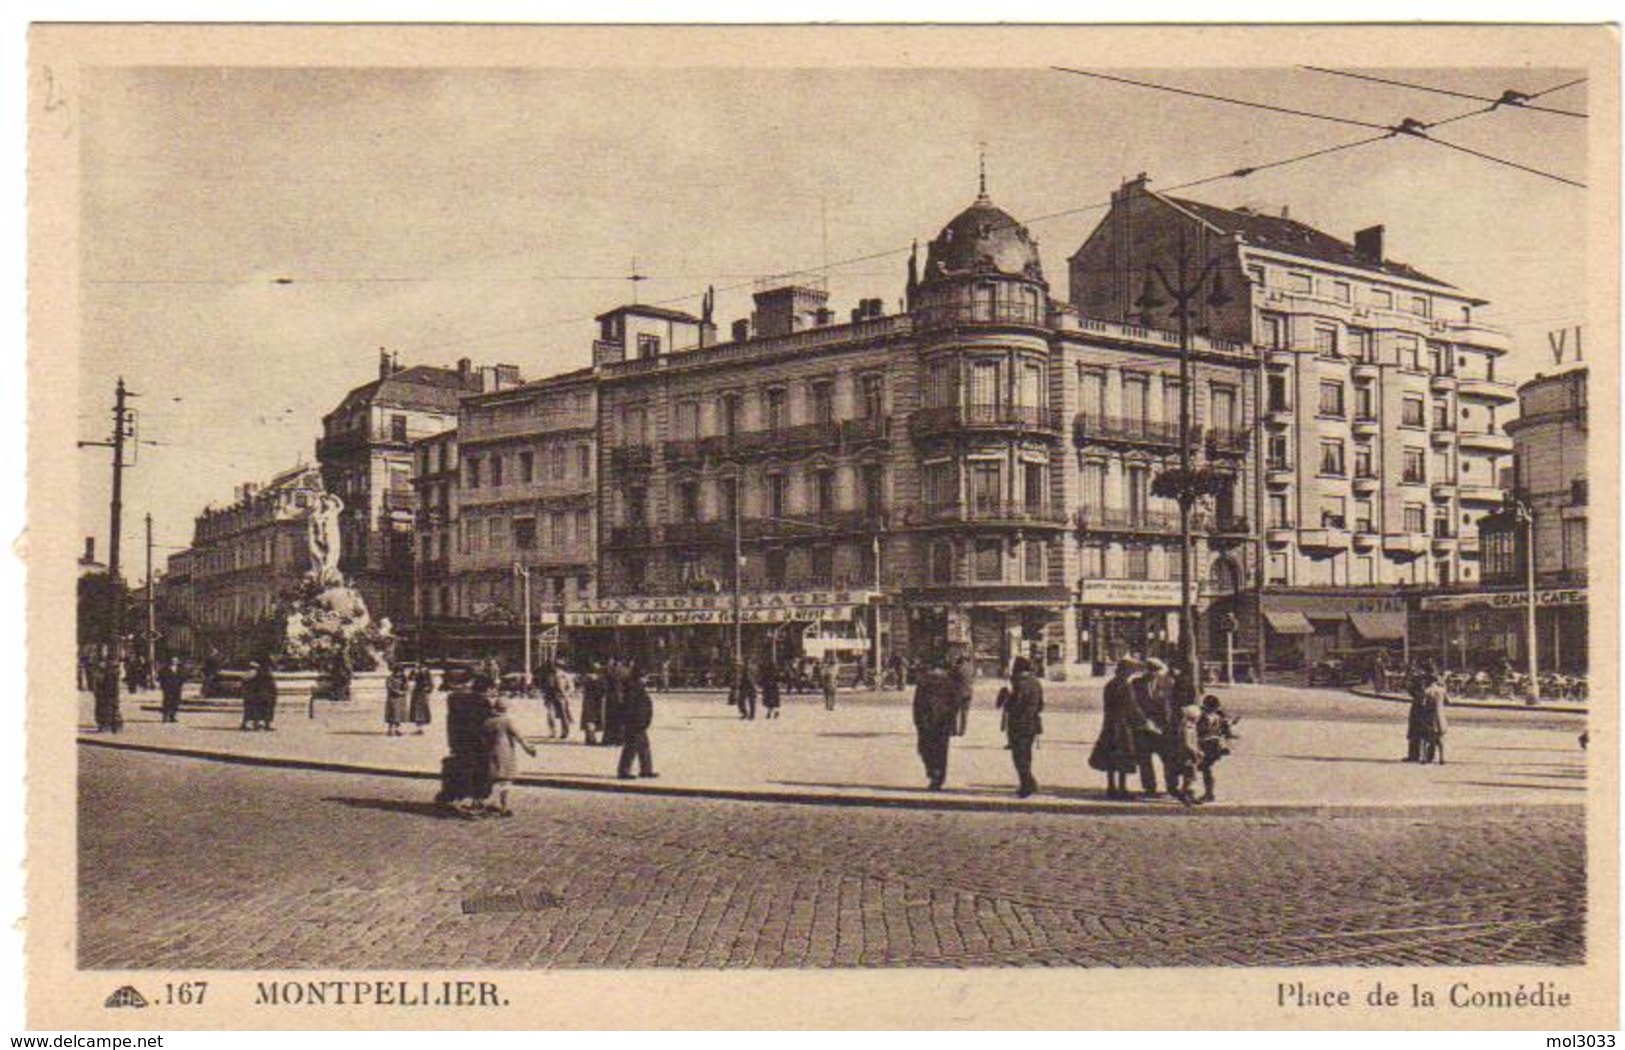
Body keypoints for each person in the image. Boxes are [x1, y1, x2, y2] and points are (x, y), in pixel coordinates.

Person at [1089, 658, 1142, 800]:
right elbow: (1132, 707)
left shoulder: (1110, 685)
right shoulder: (1126, 686)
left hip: (1109, 724)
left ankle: (1111, 787)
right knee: (1124, 756)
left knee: (1110, 757)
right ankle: (1122, 788)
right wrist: (1142, 721)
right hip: (1123, 725)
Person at [480, 697, 537, 817]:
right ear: (506, 708)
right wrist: (529, 749)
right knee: (505, 781)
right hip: (505, 754)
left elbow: (482, 740)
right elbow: (519, 737)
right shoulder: (507, 721)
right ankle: (504, 807)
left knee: (490, 780)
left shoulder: (487, 721)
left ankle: (481, 802)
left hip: (490, 753)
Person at [911, 659, 959, 790]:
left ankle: (935, 775)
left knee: (927, 750)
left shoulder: (946, 684)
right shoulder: (927, 684)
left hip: (935, 723)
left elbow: (954, 705)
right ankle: (936, 775)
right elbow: (955, 705)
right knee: (938, 751)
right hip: (936, 723)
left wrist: (918, 721)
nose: (936, 672)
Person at [1133, 658, 1175, 797]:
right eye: (1151, 671)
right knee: (1144, 759)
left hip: (1163, 727)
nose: (1154, 674)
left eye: (1156, 671)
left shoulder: (1167, 683)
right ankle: (1149, 788)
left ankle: (1172, 787)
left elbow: (1170, 705)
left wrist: (1167, 724)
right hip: (1143, 727)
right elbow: (1134, 704)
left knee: (1168, 758)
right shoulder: (1136, 683)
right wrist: (1143, 720)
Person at [1003, 656, 1044, 798]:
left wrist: (1007, 698)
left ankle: (1026, 785)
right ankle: (1030, 782)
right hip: (1032, 723)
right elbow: (1041, 705)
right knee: (1026, 754)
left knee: (1019, 756)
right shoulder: (1036, 682)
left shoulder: (1019, 684)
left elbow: (1014, 705)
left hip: (1019, 724)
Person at [1195, 694, 1239, 804]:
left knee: (1205, 769)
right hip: (1215, 745)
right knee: (1206, 769)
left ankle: (1208, 793)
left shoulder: (1204, 716)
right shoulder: (1219, 716)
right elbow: (1227, 732)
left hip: (1207, 745)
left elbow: (1200, 731)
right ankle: (1209, 792)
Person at [617, 665, 657, 780]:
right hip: (635, 723)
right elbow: (630, 707)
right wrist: (634, 721)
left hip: (639, 723)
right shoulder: (633, 688)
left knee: (643, 746)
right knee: (631, 747)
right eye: (645, 677)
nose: (646, 679)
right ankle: (624, 771)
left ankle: (646, 770)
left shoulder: (636, 687)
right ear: (640, 677)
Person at [1420, 675, 1450, 764]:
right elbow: (1448, 702)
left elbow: (1423, 703)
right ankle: (1441, 758)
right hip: (1440, 715)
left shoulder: (1427, 691)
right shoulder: (1442, 690)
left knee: (1426, 738)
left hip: (1429, 716)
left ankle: (1424, 758)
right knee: (1440, 738)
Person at [93, 654, 123, 733]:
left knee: (106, 709)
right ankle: (115, 726)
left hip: (105, 694)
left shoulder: (106, 671)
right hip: (112, 693)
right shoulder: (114, 670)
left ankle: (106, 726)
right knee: (113, 709)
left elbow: (100, 682)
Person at [1404, 668, 1429, 762]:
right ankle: (1421, 756)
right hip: (1420, 717)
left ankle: (1416, 756)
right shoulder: (1422, 693)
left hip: (1418, 717)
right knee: (1419, 736)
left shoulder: (1419, 695)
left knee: (1416, 735)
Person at [579, 662, 606, 745]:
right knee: (592, 719)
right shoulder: (600, 679)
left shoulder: (586, 677)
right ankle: (592, 739)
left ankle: (589, 738)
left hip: (587, 700)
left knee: (588, 719)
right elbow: (603, 690)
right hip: (596, 701)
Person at [157, 657, 186, 723]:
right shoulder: (164, 669)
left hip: (177, 688)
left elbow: (183, 677)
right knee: (167, 702)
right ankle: (165, 716)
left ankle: (173, 716)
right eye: (172, 661)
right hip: (168, 688)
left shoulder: (180, 669)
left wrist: (180, 683)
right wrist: (163, 686)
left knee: (176, 702)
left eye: (175, 661)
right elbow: (161, 678)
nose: (174, 662)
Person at [949, 655, 973, 737]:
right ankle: (962, 731)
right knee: (964, 713)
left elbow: (950, 678)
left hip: (957, 693)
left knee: (954, 712)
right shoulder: (970, 668)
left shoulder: (956, 668)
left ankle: (954, 730)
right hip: (968, 693)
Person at [384, 665, 408, 736]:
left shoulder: (404, 678)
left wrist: (404, 692)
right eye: (398, 672)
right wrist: (397, 692)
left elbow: (406, 686)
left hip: (401, 699)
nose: (399, 673)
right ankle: (390, 729)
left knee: (399, 715)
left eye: (400, 672)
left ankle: (398, 729)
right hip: (393, 698)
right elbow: (389, 687)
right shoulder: (390, 678)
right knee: (392, 714)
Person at [409, 666, 434, 734]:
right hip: (417, 692)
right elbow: (410, 678)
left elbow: (431, 683)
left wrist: (428, 689)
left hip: (423, 693)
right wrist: (414, 671)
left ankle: (421, 728)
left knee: (422, 710)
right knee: (417, 710)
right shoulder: (415, 670)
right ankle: (419, 728)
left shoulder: (426, 671)